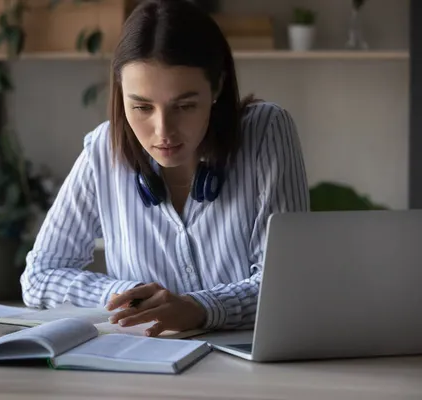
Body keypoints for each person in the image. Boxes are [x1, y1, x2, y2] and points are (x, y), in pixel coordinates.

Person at [20, 0, 309, 337]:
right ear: (121, 94)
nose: (163, 131)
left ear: (216, 87)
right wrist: (129, 297)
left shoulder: (266, 131)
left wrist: (199, 307)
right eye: (141, 106)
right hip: (142, 368)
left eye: (185, 106)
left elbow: (286, 285)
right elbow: (40, 276)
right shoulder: (102, 148)